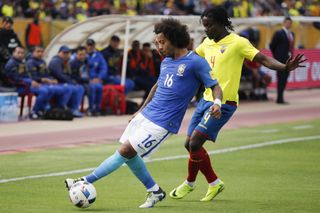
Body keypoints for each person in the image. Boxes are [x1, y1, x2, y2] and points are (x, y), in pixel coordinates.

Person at [65, 18, 222, 208]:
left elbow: (215, 86)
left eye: (162, 42)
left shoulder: (196, 62)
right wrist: (140, 110)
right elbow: (157, 87)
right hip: (146, 116)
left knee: (125, 151)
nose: (159, 47)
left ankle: (84, 180)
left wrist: (217, 103)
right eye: (157, 43)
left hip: (163, 123)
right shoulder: (166, 63)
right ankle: (155, 191)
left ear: (174, 39)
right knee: (129, 154)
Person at [169, 6, 306, 202]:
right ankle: (214, 183)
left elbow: (263, 59)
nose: (206, 30)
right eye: (204, 26)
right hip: (205, 100)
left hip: (224, 103)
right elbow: (191, 59)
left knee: (195, 142)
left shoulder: (238, 42)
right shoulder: (206, 43)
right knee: (189, 145)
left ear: (221, 23)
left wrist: (284, 67)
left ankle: (189, 183)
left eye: (209, 26)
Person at [4, 46, 52, 119]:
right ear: (13, 53)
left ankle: (42, 109)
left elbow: (26, 75)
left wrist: (32, 81)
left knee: (48, 89)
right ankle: (34, 111)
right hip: (17, 87)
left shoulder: (22, 62)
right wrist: (30, 82)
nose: (20, 54)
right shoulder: (11, 63)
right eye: (18, 53)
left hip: (26, 85)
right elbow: (15, 78)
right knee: (44, 91)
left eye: (22, 53)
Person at [26, 46, 72, 110]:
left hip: (46, 84)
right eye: (38, 52)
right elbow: (32, 76)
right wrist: (43, 79)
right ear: (33, 53)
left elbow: (47, 74)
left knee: (66, 89)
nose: (40, 53)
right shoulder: (30, 62)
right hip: (35, 84)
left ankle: (59, 108)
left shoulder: (43, 61)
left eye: (42, 52)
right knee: (46, 91)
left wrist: (52, 79)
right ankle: (36, 110)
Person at [48, 45, 85, 117]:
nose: (66, 55)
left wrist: (73, 81)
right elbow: (60, 75)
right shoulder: (55, 61)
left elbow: (69, 75)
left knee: (80, 87)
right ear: (60, 53)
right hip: (57, 82)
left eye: (67, 53)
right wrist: (71, 82)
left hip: (64, 82)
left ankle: (74, 108)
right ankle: (62, 107)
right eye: (64, 53)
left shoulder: (66, 62)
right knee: (70, 87)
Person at [270, 17, 295, 104]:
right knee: (281, 79)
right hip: (280, 61)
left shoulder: (292, 34)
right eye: (287, 23)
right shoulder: (279, 33)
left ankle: (281, 97)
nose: (289, 24)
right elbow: (272, 45)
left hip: (289, 61)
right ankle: (279, 98)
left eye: (290, 23)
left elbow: (291, 47)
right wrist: (277, 57)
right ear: (284, 23)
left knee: (285, 79)